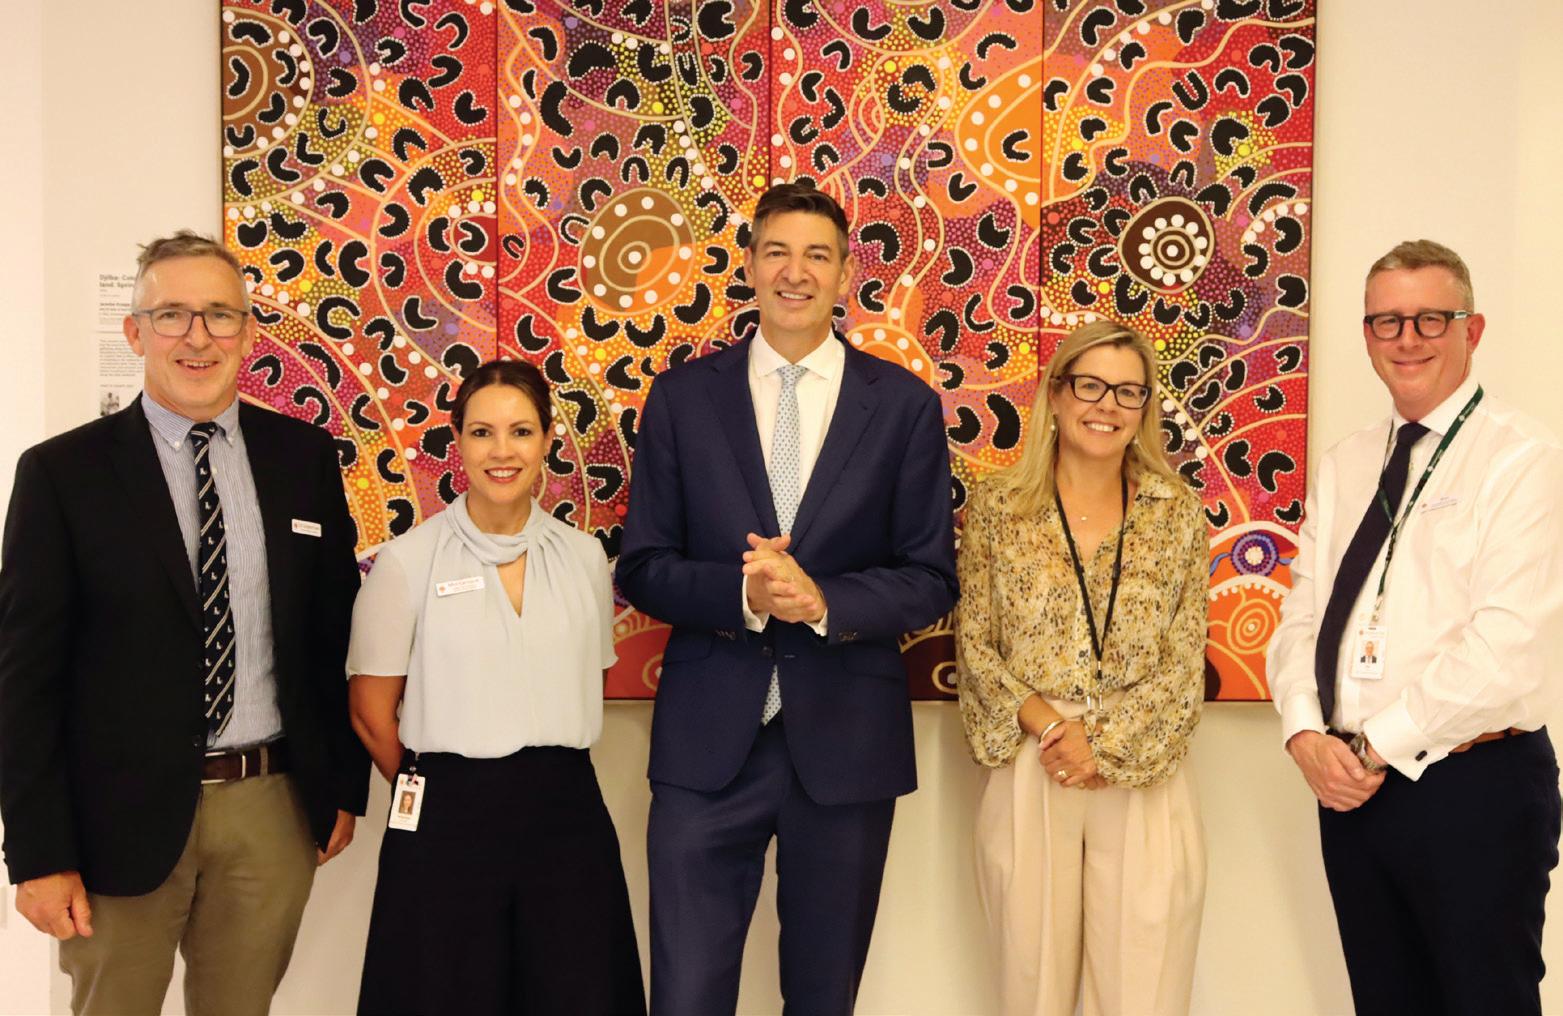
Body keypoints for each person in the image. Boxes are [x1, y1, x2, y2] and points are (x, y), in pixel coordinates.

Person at [0, 231, 367, 1015]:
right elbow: (23, 680)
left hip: (269, 808)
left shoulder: (303, 459)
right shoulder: (62, 474)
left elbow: (328, 632)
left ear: (247, 332)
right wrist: (35, 852)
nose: (197, 337)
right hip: (113, 819)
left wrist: (339, 785)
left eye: (218, 315)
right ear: (135, 333)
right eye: (171, 315)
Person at [618, 182, 958, 1014]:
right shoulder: (682, 399)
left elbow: (930, 579)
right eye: (776, 252)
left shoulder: (904, 407)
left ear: (844, 274)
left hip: (845, 747)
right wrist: (743, 593)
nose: (794, 273)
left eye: (816, 256)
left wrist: (822, 602)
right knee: (685, 996)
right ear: (749, 266)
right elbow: (643, 566)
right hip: (705, 748)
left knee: (821, 997)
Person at [1268, 239, 1563, 1015]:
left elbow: (1502, 651)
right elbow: (1301, 614)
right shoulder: (1346, 461)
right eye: (1386, 321)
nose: (1407, 339)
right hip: (1349, 790)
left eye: (1431, 318)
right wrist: (1304, 733)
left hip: (1473, 786)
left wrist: (1372, 746)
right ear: (1366, 335)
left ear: (1473, 329)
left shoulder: (1521, 459)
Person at [346, 359, 645, 1016]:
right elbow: (370, 713)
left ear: (547, 441)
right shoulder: (407, 562)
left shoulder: (584, 559)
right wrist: (444, 793)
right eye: (482, 433)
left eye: (520, 431)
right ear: (458, 441)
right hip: (446, 818)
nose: (501, 451)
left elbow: (585, 679)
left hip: (567, 815)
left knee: (575, 992)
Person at [956, 320, 1209, 1016]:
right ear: (1057, 394)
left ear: (1145, 407)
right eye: (1091, 386)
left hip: (1143, 765)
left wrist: (1103, 741)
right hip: (1031, 762)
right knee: (1030, 985)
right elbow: (975, 647)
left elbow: (1184, 659)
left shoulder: (1177, 513)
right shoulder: (999, 508)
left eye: (1128, 392)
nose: (1107, 406)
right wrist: (1052, 728)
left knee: (1142, 987)